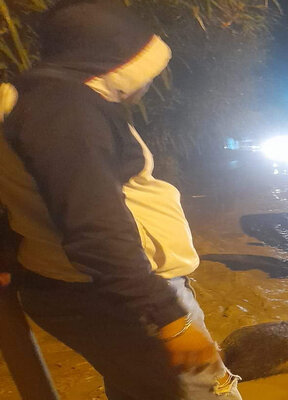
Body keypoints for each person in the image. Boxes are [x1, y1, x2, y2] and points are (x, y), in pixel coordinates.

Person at [0, 1, 241, 398]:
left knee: (138, 390)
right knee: (205, 393)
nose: (146, 84)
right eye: (144, 69)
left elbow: (33, 193)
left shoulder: (32, 99)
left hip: (86, 290)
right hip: (117, 298)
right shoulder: (65, 110)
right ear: (115, 61)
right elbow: (95, 226)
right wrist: (169, 319)